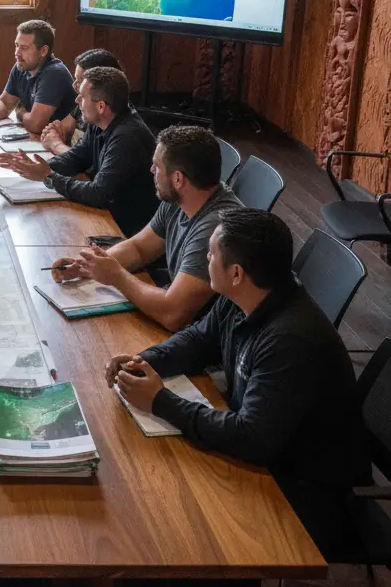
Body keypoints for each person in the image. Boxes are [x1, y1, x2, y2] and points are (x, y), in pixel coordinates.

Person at [108, 209, 370, 558]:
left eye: (212, 253)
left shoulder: (291, 340)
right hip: (265, 455)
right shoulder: (243, 297)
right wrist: (146, 360)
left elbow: (251, 438)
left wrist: (160, 401)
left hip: (304, 488)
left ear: (236, 273)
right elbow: (198, 340)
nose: (205, 257)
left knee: (166, 530)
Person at [45, 124, 241, 331]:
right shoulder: (183, 197)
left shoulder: (214, 229)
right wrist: (88, 265)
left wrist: (116, 276)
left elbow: (174, 313)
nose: (151, 170)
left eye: (156, 166)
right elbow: (139, 248)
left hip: (205, 341)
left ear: (177, 179)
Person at [0, 67, 157, 238]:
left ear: (101, 106)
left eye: (82, 96)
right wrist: (37, 167)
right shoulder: (100, 122)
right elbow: (77, 158)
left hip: (130, 232)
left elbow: (98, 194)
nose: (77, 100)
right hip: (111, 216)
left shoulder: (126, 137)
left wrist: (49, 176)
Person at [0, 20, 75, 135]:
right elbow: (5, 103)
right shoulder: (22, 66)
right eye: (16, 46)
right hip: (42, 138)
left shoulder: (54, 74)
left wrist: (20, 113)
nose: (17, 53)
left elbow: (36, 125)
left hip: (66, 143)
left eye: (24, 48)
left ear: (43, 51)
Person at [40, 47, 122, 151]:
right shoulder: (84, 104)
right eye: (75, 79)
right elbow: (61, 130)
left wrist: (56, 144)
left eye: (80, 81)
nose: (74, 85)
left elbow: (87, 163)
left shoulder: (109, 117)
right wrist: (55, 133)